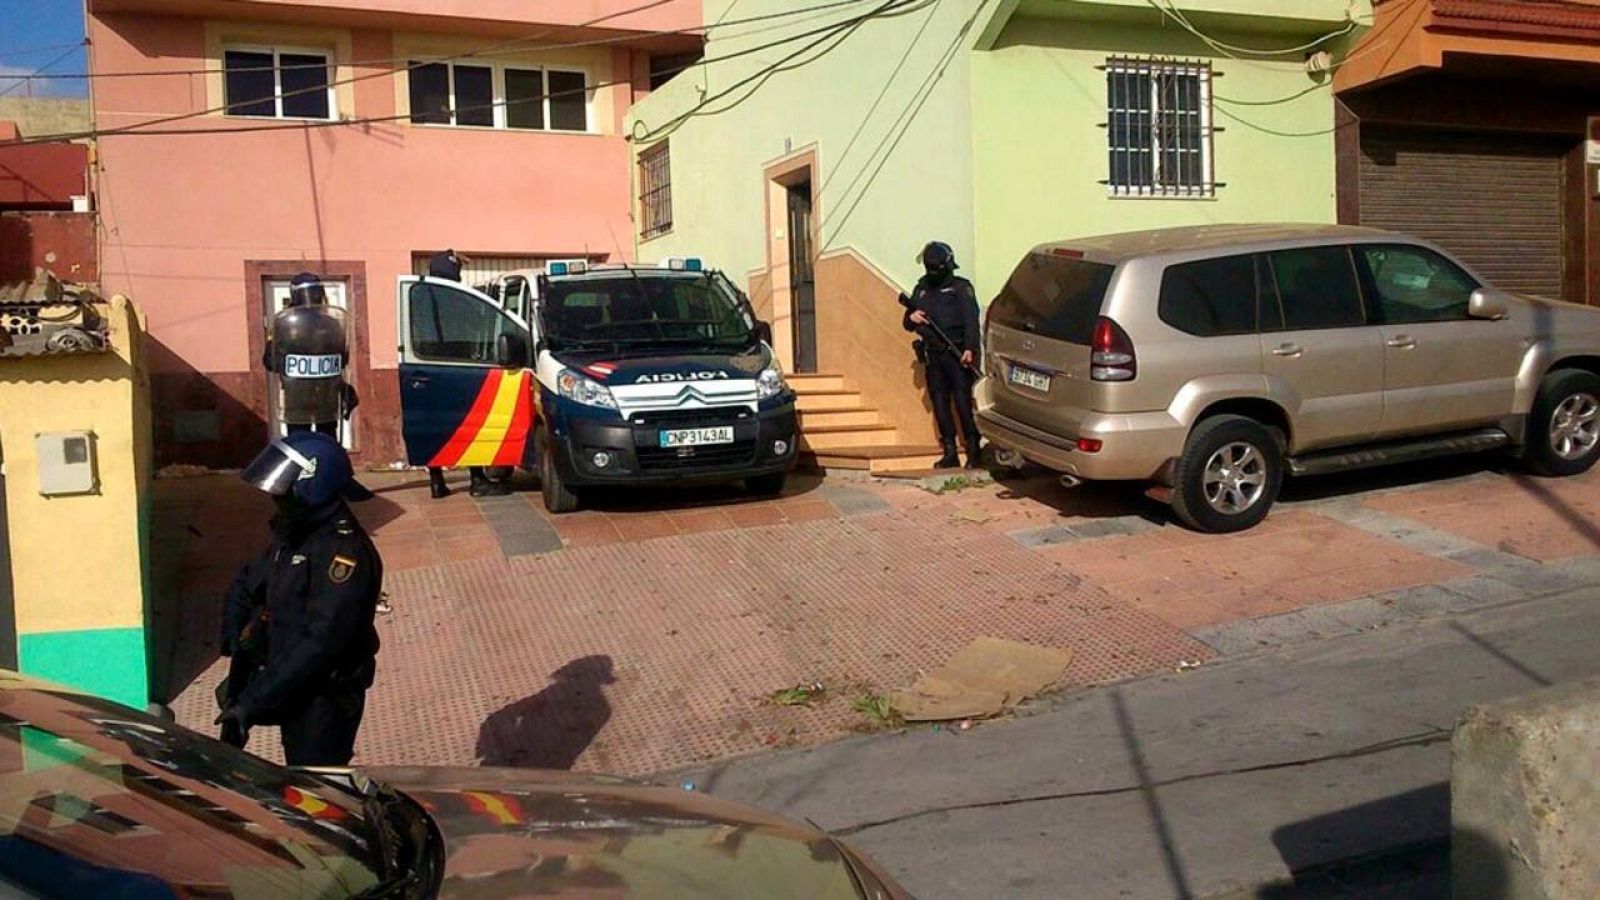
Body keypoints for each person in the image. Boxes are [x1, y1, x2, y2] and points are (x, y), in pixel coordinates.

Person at [216, 431, 382, 767]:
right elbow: (247, 583)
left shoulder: (343, 554)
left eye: (284, 491)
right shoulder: (295, 533)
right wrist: (235, 639)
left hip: (323, 697)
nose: (276, 499)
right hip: (286, 681)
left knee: (316, 789)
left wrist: (256, 700)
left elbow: (320, 643)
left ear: (311, 485)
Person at [423, 249, 511, 499]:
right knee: (470, 424)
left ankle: (436, 481)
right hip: (458, 370)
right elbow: (477, 332)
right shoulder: (459, 298)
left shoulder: (419, 297)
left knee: (434, 427)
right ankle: (477, 479)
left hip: (427, 369)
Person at [903, 240, 982, 469]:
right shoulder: (922, 288)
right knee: (940, 404)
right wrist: (911, 318)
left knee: (962, 403)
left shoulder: (960, 287)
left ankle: (973, 449)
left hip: (956, 355)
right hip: (933, 356)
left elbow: (971, 321)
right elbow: (907, 321)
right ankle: (949, 451)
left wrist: (970, 348)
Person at [263, 272, 359, 438]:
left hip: (297, 396)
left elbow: (270, 362)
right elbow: (343, 358)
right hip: (326, 395)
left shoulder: (284, 324)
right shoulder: (333, 323)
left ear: (295, 294)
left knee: (300, 442)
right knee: (328, 438)